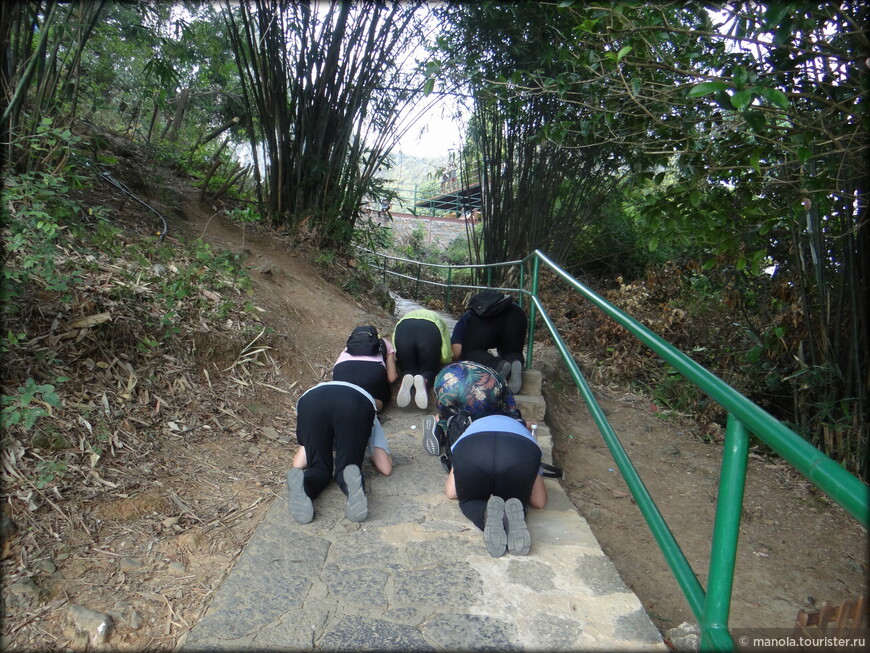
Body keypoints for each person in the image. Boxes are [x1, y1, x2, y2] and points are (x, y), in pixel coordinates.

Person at [286, 381, 382, 524]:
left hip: (311, 403)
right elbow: (384, 466)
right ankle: (353, 490)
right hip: (355, 405)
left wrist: (310, 459)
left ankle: (304, 487)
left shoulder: (315, 390)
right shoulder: (368, 405)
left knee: (319, 468)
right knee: (347, 467)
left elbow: (299, 462)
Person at [421, 360, 524, 461]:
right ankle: (450, 429)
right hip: (475, 391)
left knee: (450, 410)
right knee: (467, 426)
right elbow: (514, 417)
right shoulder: (496, 405)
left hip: (450, 373)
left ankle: (439, 422)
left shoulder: (501, 390)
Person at [451, 290, 528, 394]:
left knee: (470, 351)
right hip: (517, 315)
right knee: (512, 351)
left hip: (485, 324)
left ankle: (497, 365)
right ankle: (514, 361)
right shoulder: (512, 307)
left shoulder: (469, 315)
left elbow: (457, 351)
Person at [392, 308, 452, 410]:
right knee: (428, 369)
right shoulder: (438, 320)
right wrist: (444, 360)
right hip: (430, 330)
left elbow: (394, 344)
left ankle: (407, 376)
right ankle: (424, 379)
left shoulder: (404, 318)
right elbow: (446, 347)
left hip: (403, 329)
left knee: (408, 368)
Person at [332, 326, 398, 412]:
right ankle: (369, 407)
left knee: (345, 392)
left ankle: (344, 405)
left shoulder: (348, 347)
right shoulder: (384, 343)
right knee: (384, 394)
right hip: (373, 370)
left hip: (341, 371)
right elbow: (392, 378)